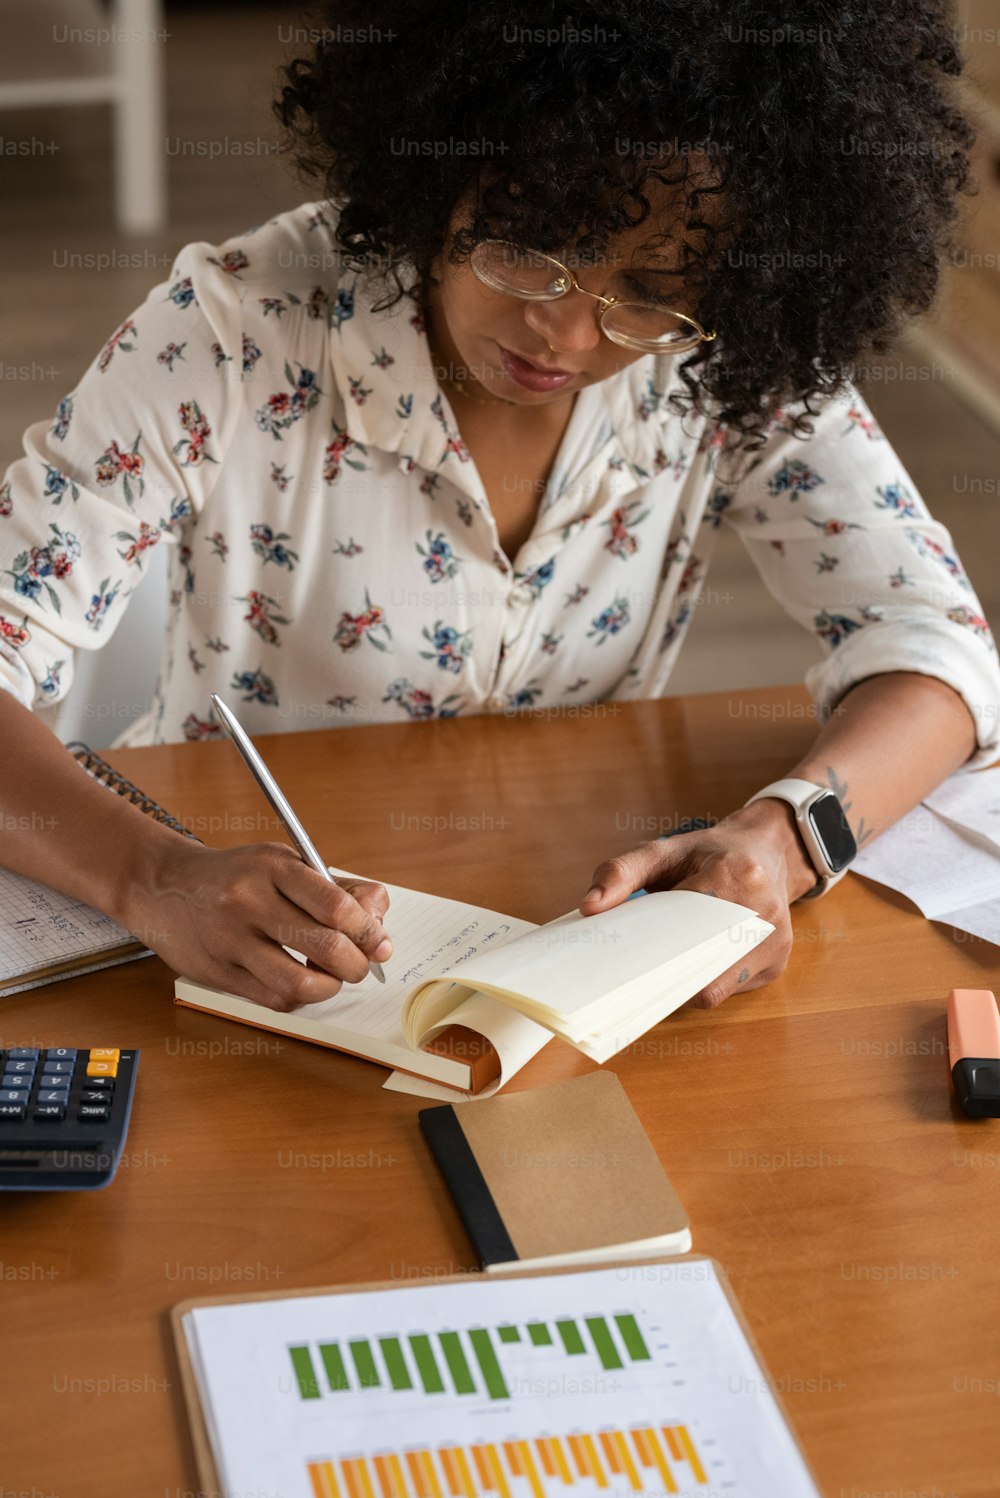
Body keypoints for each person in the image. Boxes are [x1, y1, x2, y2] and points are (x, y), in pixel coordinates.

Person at [1, 1, 996, 1014]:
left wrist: (786, 839)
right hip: (235, 930)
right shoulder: (232, 331)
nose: (563, 331)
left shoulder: (723, 356)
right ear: (441, 174)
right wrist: (156, 876)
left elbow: (935, 644)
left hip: (555, 927)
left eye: (647, 291)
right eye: (530, 244)